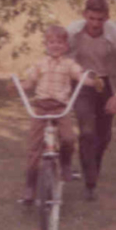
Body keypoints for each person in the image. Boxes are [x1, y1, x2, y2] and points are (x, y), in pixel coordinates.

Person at [15, 25, 102, 204]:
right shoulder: (39, 64)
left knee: (68, 139)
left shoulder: (69, 64)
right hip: (41, 107)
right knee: (34, 149)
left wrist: (93, 83)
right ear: (46, 44)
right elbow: (29, 82)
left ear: (66, 46)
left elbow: (80, 76)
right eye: (52, 42)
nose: (55, 45)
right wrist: (17, 85)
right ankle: (30, 187)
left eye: (60, 42)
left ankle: (65, 164)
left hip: (60, 108)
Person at [67, 0, 116, 201]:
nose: (96, 24)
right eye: (92, 18)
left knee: (104, 136)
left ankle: (91, 170)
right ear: (84, 15)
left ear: (106, 18)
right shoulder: (72, 32)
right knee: (87, 132)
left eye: (100, 19)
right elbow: (60, 57)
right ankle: (90, 183)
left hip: (108, 82)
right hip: (82, 81)